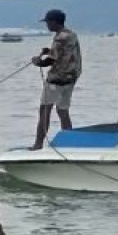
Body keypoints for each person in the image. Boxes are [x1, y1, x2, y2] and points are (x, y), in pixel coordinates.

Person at [30, 8, 81, 150]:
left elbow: (51, 61)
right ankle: (69, 143)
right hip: (70, 79)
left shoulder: (59, 37)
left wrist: (38, 62)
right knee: (63, 111)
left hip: (56, 81)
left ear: (54, 22)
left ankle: (38, 144)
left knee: (45, 111)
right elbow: (65, 53)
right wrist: (49, 51)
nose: (47, 25)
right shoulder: (71, 34)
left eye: (48, 22)